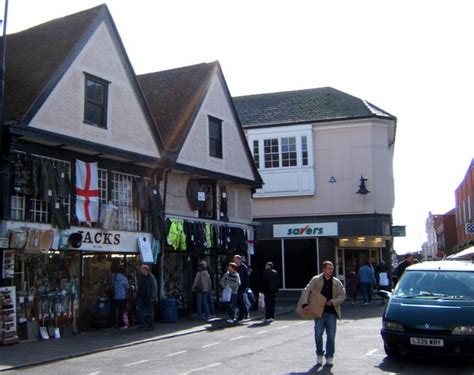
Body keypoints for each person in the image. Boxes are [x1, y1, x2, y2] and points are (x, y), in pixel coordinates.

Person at [301, 261, 346, 367]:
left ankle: (329, 357)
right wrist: (304, 303)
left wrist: (333, 302)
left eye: (332, 269)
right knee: (318, 334)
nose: (331, 270)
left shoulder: (336, 282)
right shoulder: (316, 279)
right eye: (329, 268)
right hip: (319, 312)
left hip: (331, 313)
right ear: (324, 269)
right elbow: (306, 290)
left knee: (331, 336)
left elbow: (343, 295)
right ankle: (319, 355)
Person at [136, 265, 157, 331]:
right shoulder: (143, 277)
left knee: (150, 312)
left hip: (149, 297)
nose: (141, 271)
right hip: (142, 297)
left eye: (142, 270)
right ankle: (143, 324)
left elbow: (154, 288)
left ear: (145, 270)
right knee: (140, 310)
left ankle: (150, 325)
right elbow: (140, 287)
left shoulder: (151, 278)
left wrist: (153, 297)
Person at [233, 255, 249, 320]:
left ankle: (244, 313)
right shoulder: (234, 267)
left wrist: (246, 286)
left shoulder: (244, 267)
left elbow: (247, 278)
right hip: (236, 287)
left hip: (242, 286)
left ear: (239, 260)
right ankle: (242, 314)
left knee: (240, 300)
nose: (234, 260)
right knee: (238, 301)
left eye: (235, 259)